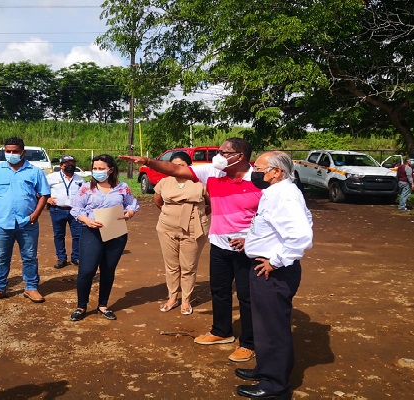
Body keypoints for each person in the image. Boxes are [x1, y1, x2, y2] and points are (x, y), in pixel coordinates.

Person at [120, 138, 261, 363]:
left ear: (240, 156)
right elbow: (176, 168)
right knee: (220, 291)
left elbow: (270, 215)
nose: (219, 156)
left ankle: (249, 342)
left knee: (246, 296)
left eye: (224, 152)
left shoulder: (259, 179)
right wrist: (148, 161)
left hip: (248, 248)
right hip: (219, 244)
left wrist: (252, 238)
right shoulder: (213, 173)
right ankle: (221, 331)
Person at [235, 151, 313, 400]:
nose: (254, 171)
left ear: (277, 172)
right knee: (263, 324)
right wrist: (249, 239)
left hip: (274, 271)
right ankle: (265, 369)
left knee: (272, 328)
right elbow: (296, 222)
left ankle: (275, 385)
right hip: (263, 265)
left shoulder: (285, 195)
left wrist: (276, 261)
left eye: (258, 167)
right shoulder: (275, 193)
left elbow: (301, 235)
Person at [0, 137, 50, 304]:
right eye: (8, 151)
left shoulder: (35, 171)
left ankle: (31, 288)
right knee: (1, 257)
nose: (11, 154)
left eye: (15, 151)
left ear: (22, 152)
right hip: (1, 222)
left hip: (27, 223)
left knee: (30, 257)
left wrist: (36, 213)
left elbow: (44, 194)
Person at [69, 154, 139, 322]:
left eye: (101, 168)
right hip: (92, 232)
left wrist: (129, 212)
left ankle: (103, 305)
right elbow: (76, 208)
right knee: (87, 270)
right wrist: (87, 220)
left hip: (116, 233)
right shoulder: (86, 188)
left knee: (108, 270)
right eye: (95, 168)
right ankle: (81, 305)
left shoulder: (122, 187)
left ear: (111, 170)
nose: (97, 171)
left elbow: (131, 203)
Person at [154, 151, 210, 315]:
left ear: (189, 166)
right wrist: (172, 214)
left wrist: (198, 217)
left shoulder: (200, 182)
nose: (177, 168)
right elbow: (158, 201)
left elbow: (210, 203)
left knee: (188, 266)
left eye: (181, 165)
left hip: (194, 229)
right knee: (171, 266)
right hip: (167, 228)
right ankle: (172, 297)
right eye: (173, 165)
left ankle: (186, 300)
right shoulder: (164, 182)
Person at [46, 155, 85, 269]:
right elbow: (41, 189)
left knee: (78, 235)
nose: (70, 166)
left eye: (72, 163)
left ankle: (76, 257)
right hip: (58, 210)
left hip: (75, 211)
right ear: (61, 165)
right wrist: (47, 198)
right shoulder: (51, 177)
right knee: (59, 235)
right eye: (67, 164)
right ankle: (61, 258)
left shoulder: (80, 179)